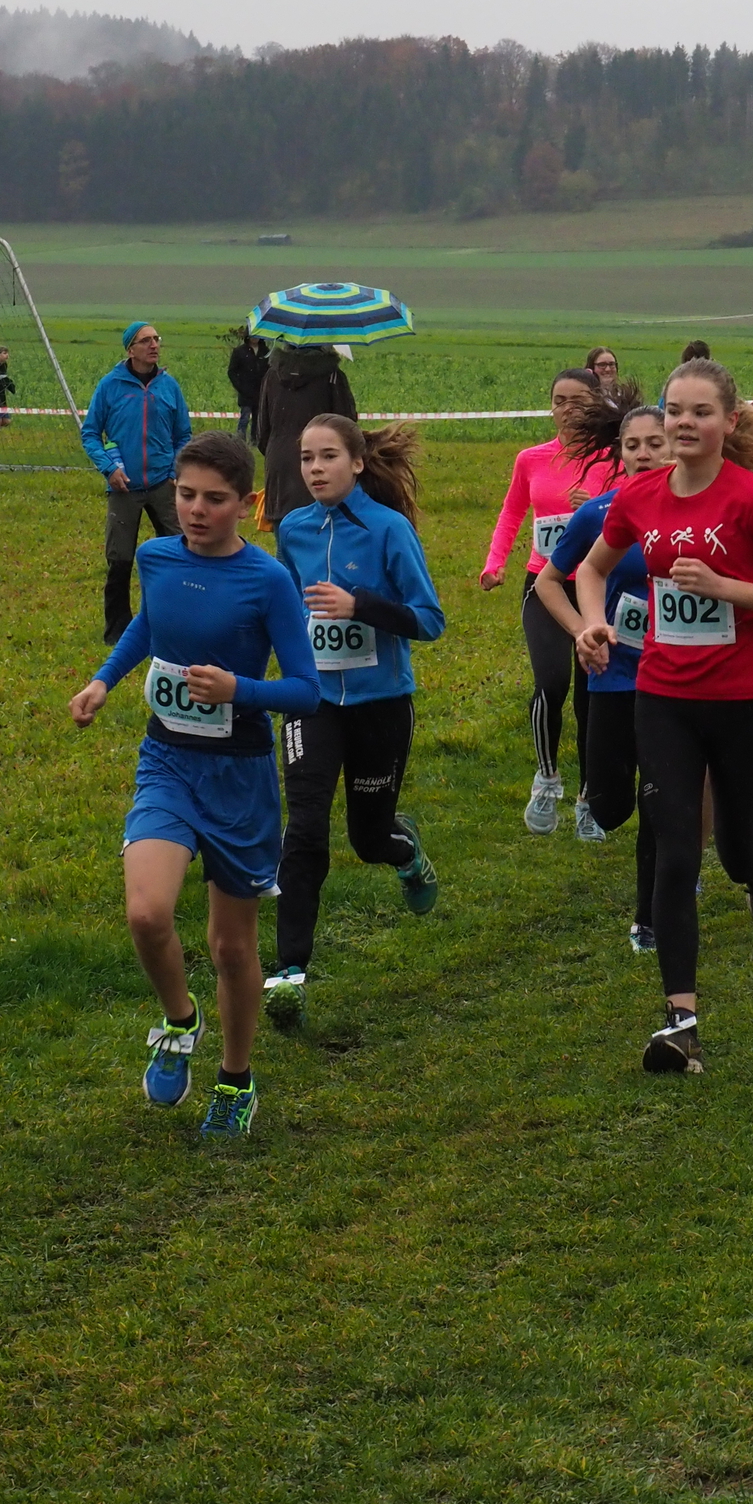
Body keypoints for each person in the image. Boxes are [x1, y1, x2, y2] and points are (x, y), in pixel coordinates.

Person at [574, 357, 753, 1075]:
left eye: (700, 412)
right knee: (675, 851)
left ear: (728, 422)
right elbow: (591, 569)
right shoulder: (640, 496)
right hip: (665, 699)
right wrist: (592, 625)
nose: (684, 423)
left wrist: (724, 586)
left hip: (745, 703)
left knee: (735, 851)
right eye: (674, 410)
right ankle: (680, 1024)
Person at [67, 431, 319, 1138]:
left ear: (247, 503)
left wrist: (240, 689)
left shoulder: (269, 580)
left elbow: (306, 691)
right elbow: (151, 624)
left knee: (230, 948)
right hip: (167, 761)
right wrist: (103, 680)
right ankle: (181, 1021)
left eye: (214, 499)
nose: (196, 510)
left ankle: (236, 1079)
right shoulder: (157, 558)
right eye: (185, 495)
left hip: (239, 776)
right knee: (147, 914)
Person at [262, 414, 446, 1026]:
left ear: (358, 463)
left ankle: (405, 851)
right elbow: (286, 611)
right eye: (306, 459)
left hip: (381, 706)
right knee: (305, 827)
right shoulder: (293, 529)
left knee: (369, 840)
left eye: (328, 457)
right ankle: (289, 972)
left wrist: (358, 605)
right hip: (312, 702)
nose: (315, 469)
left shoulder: (389, 529)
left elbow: (429, 620)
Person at [534, 401, 671, 950]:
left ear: (675, 445)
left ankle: (650, 916)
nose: (644, 454)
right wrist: (582, 630)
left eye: (655, 443)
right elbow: (548, 582)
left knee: (659, 800)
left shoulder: (699, 513)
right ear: (620, 452)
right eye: (633, 445)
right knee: (611, 807)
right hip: (613, 674)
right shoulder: (599, 514)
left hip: (674, 678)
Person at [480, 370, 619, 833]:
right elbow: (512, 511)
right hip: (546, 584)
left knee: (591, 696)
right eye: (559, 400)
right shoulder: (531, 459)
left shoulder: (615, 459)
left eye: (578, 401)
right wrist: (495, 562)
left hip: (597, 587)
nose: (568, 410)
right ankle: (547, 777)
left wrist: (595, 505)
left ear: (597, 404)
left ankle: (588, 799)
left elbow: (634, 515)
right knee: (551, 682)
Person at [81, 323, 193, 643]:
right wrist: (109, 470)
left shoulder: (169, 386)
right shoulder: (110, 386)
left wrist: (174, 471)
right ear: (130, 350)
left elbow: (183, 435)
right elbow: (90, 434)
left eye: (156, 339)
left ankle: (177, 622)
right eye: (145, 341)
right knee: (120, 561)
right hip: (123, 487)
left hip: (162, 485)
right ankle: (118, 633)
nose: (154, 345)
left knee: (180, 554)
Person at [256, 340, 357, 525]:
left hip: (279, 464)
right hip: (322, 465)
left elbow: (262, 433)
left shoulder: (271, 375)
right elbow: (348, 428)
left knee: (285, 531)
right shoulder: (333, 376)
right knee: (322, 531)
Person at [226, 325, 270, 445]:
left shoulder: (265, 352)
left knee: (258, 418)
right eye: (252, 335)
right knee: (245, 417)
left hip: (260, 391)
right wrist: (240, 386)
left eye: (257, 335)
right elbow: (231, 372)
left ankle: (255, 440)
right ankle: (240, 439)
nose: (255, 338)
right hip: (245, 392)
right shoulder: (239, 351)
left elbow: (269, 370)